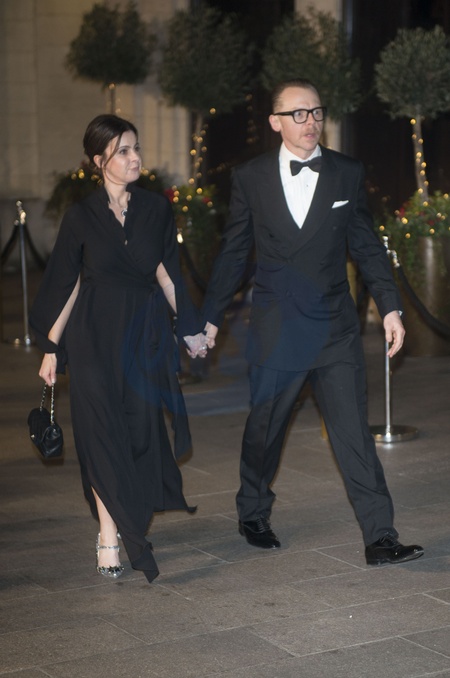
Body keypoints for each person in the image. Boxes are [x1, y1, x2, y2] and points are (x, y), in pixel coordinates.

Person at [201, 78, 424, 566]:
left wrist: (389, 306)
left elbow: (366, 245)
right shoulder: (251, 177)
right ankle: (252, 511)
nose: (311, 122)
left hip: (334, 326)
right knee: (265, 428)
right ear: (275, 122)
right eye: (298, 114)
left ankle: (380, 536)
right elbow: (234, 251)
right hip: (278, 327)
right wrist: (211, 318)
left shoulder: (346, 172)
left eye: (317, 112)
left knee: (353, 433)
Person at [30, 114, 207, 583]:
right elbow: (68, 284)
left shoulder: (155, 209)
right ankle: (109, 533)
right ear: (99, 160)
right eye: (123, 151)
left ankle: (129, 514)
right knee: (101, 436)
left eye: (136, 148)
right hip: (92, 336)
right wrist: (52, 346)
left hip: (143, 337)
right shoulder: (81, 217)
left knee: (139, 434)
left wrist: (190, 328)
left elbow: (166, 273)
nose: (134, 158)